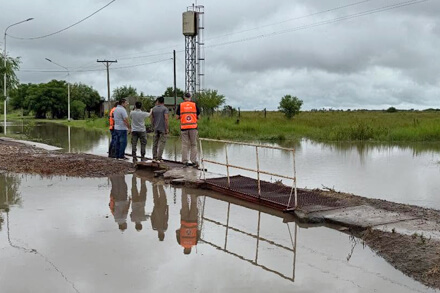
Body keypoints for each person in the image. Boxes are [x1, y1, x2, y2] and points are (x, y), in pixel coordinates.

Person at [176, 92, 200, 168]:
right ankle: (193, 161)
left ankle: (185, 162)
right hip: (193, 127)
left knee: (184, 145)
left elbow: (176, 117)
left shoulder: (181, 105)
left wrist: (182, 117)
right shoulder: (194, 105)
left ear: (184, 97)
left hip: (184, 128)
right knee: (193, 144)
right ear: (191, 97)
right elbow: (199, 117)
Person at [176, 190, 200, 255]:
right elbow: (177, 232)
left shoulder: (194, 243)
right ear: (184, 249)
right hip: (184, 220)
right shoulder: (180, 242)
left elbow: (198, 232)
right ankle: (184, 190)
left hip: (193, 221)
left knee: (194, 203)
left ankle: (193, 190)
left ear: (190, 250)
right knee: (184, 204)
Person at [151, 96, 169, 163]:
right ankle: (159, 157)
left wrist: (153, 125)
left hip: (156, 127)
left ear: (158, 101)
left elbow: (152, 118)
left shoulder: (154, 109)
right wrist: (167, 128)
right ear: (163, 102)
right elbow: (166, 119)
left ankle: (154, 157)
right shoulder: (165, 109)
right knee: (162, 142)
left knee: (155, 142)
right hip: (162, 128)